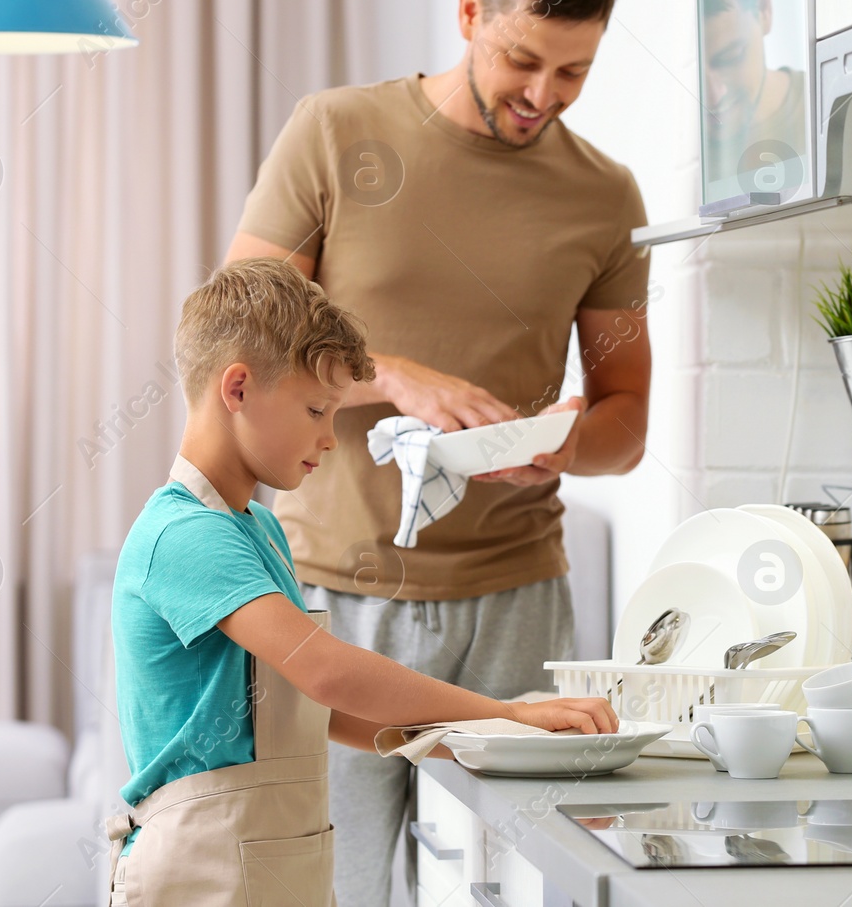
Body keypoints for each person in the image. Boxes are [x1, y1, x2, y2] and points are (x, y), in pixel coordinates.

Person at [223, 0, 652, 907]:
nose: (541, 96)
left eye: (573, 73)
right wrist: (394, 373)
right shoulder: (335, 131)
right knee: (323, 889)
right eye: (521, 59)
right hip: (331, 595)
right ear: (470, 12)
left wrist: (555, 447)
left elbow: (626, 419)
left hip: (516, 605)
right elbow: (243, 324)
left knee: (506, 889)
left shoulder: (602, 198)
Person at [106, 258, 616, 906]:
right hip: (201, 866)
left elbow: (320, 709)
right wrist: (509, 712)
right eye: (317, 408)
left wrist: (491, 742)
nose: (330, 436)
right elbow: (327, 672)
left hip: (272, 857)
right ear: (236, 388)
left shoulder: (255, 528)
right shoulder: (185, 535)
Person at [698, 0, 807, 200]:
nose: (713, 96)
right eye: (692, 71)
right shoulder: (673, 155)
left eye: (731, 57)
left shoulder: (825, 114)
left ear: (764, 7)